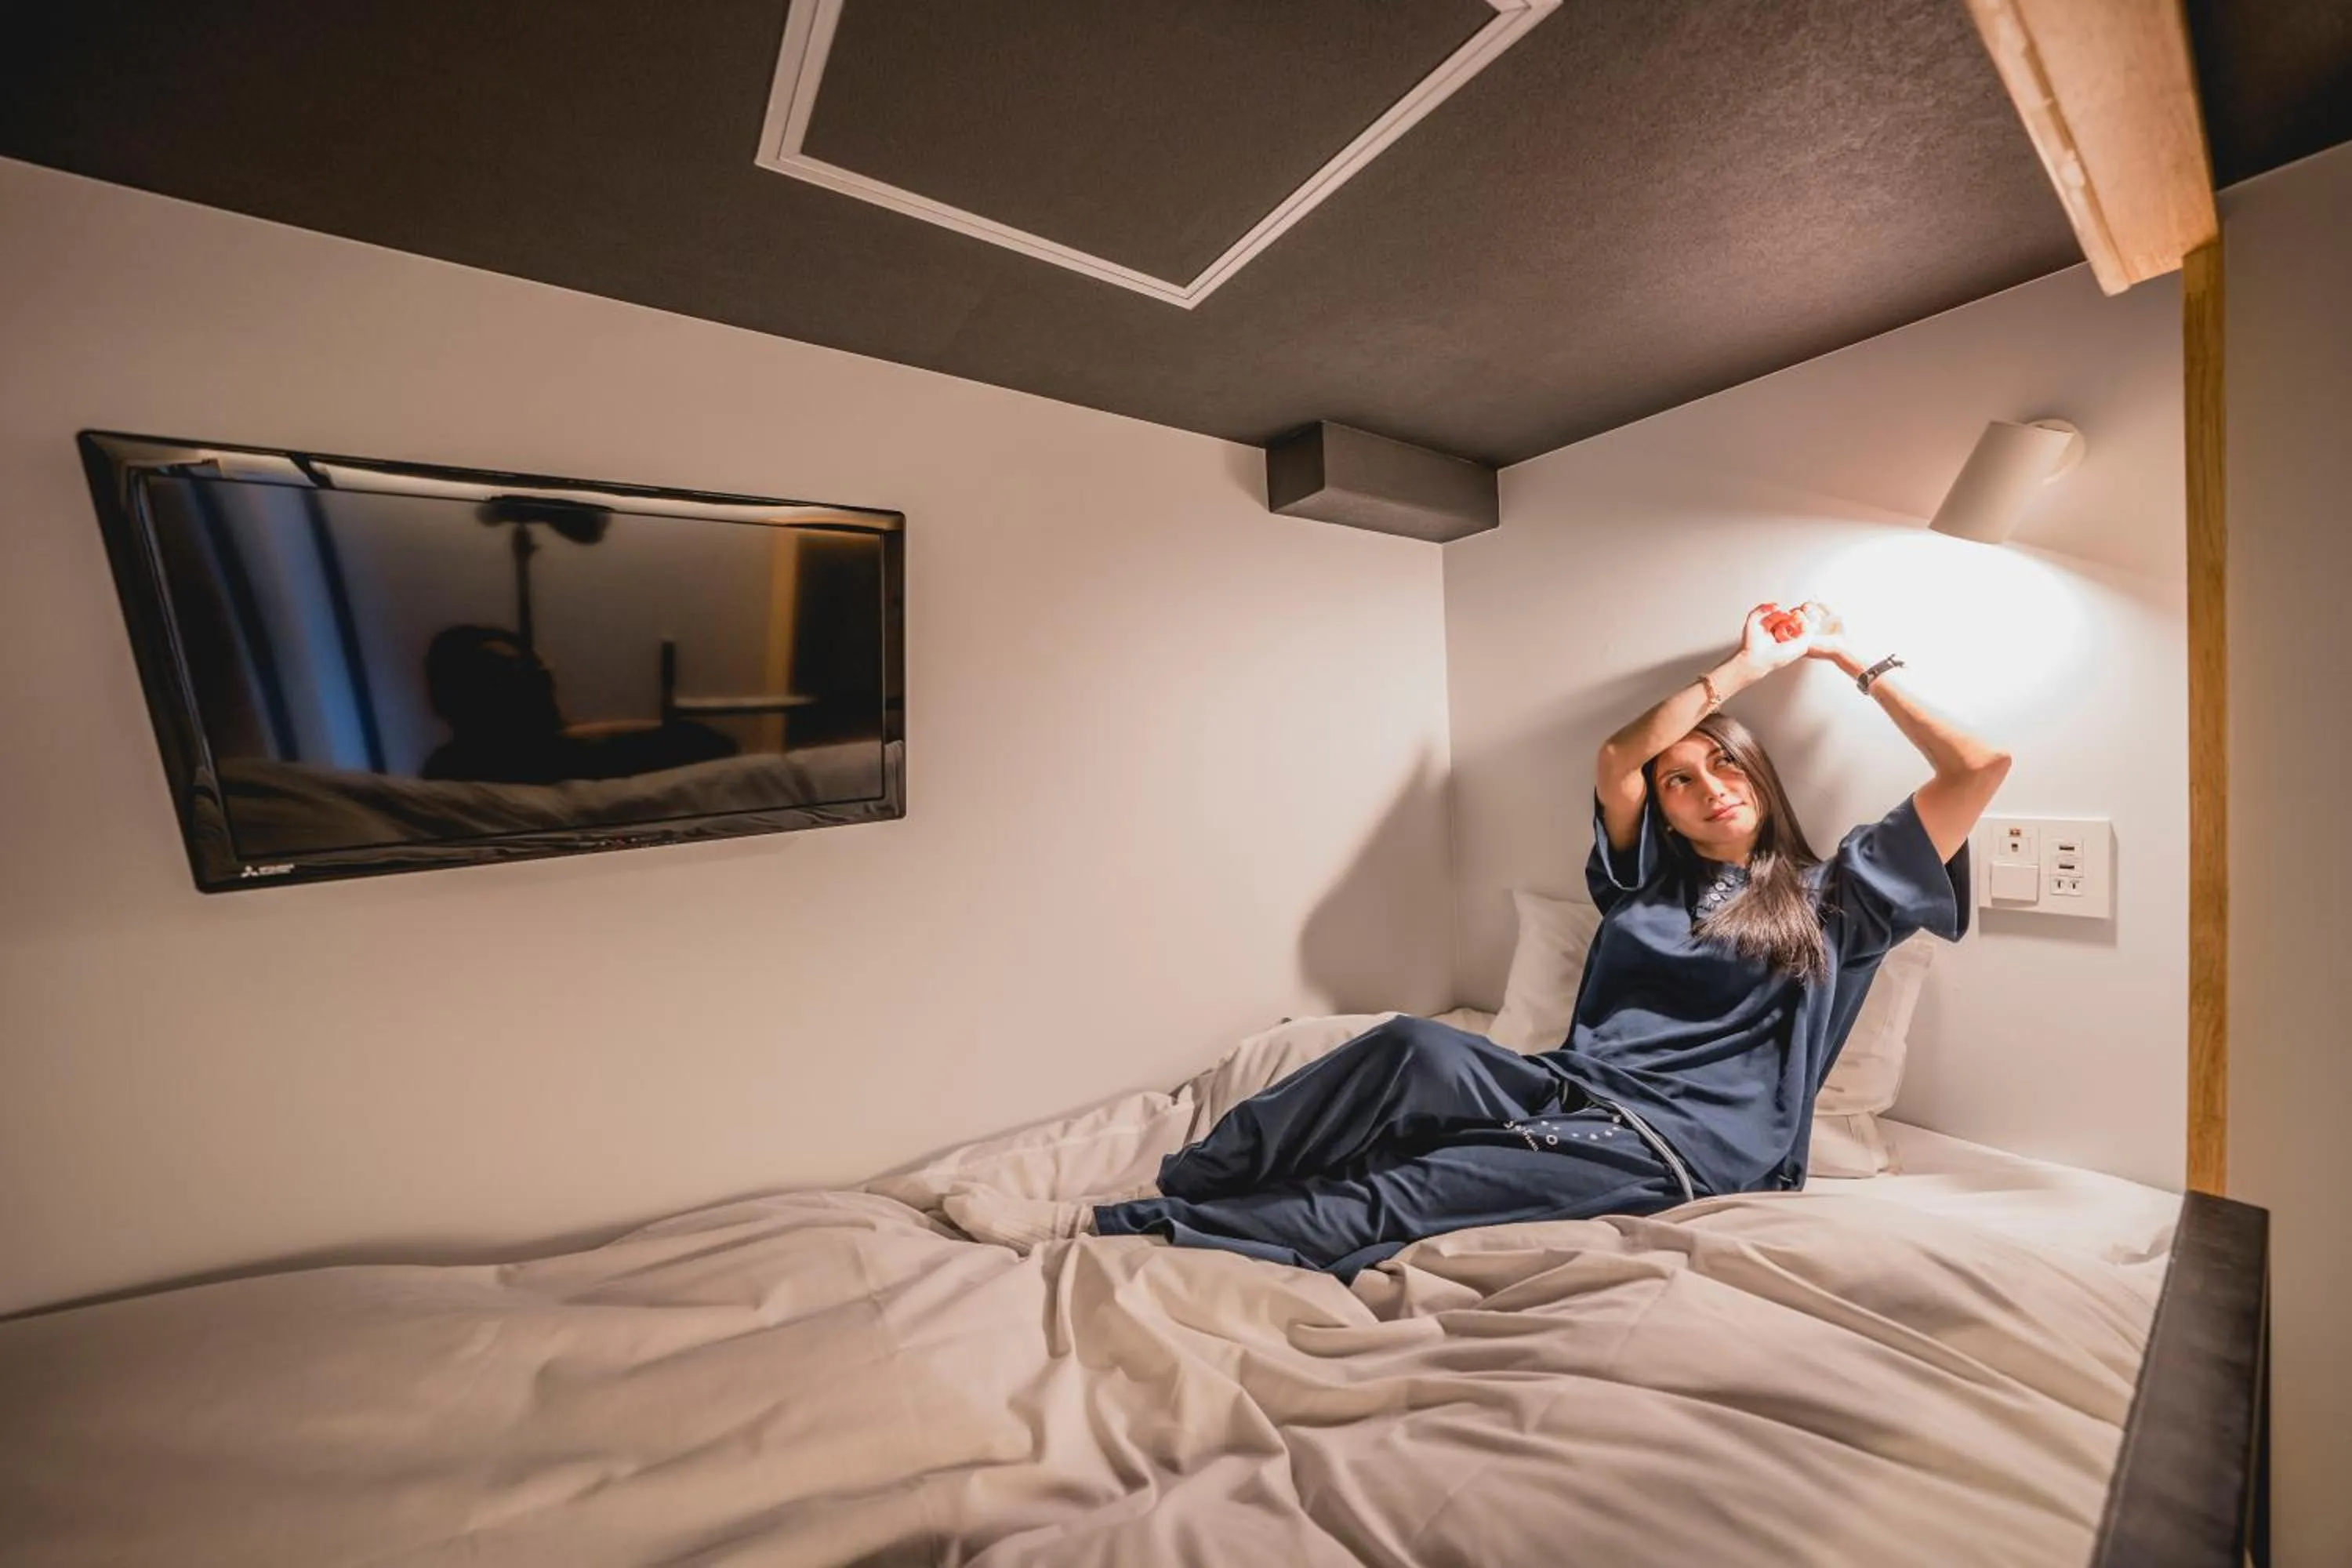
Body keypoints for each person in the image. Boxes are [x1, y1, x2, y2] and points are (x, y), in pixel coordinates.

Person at [947, 601, 2009, 1280]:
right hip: (1566, 1087)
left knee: (1420, 1187)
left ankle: (1112, 1238)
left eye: (1722, 767)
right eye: (1680, 780)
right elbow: (1614, 757)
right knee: (1413, 1046)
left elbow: (1977, 768)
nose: (1701, 789)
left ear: (1759, 779)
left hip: (1681, 1146)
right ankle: (1181, 1183)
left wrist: (1839, 654)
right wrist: (1739, 668)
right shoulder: (1647, 876)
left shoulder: (1839, 896)